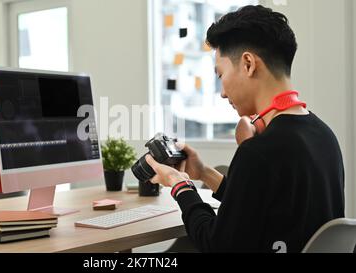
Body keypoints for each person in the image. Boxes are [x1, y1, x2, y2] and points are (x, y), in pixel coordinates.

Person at [145, 5, 345, 253]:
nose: (222, 92)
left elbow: (216, 245)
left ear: (248, 64)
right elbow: (263, 207)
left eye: (220, 75)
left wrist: (179, 185)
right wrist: (205, 173)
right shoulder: (324, 135)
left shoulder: (259, 152)